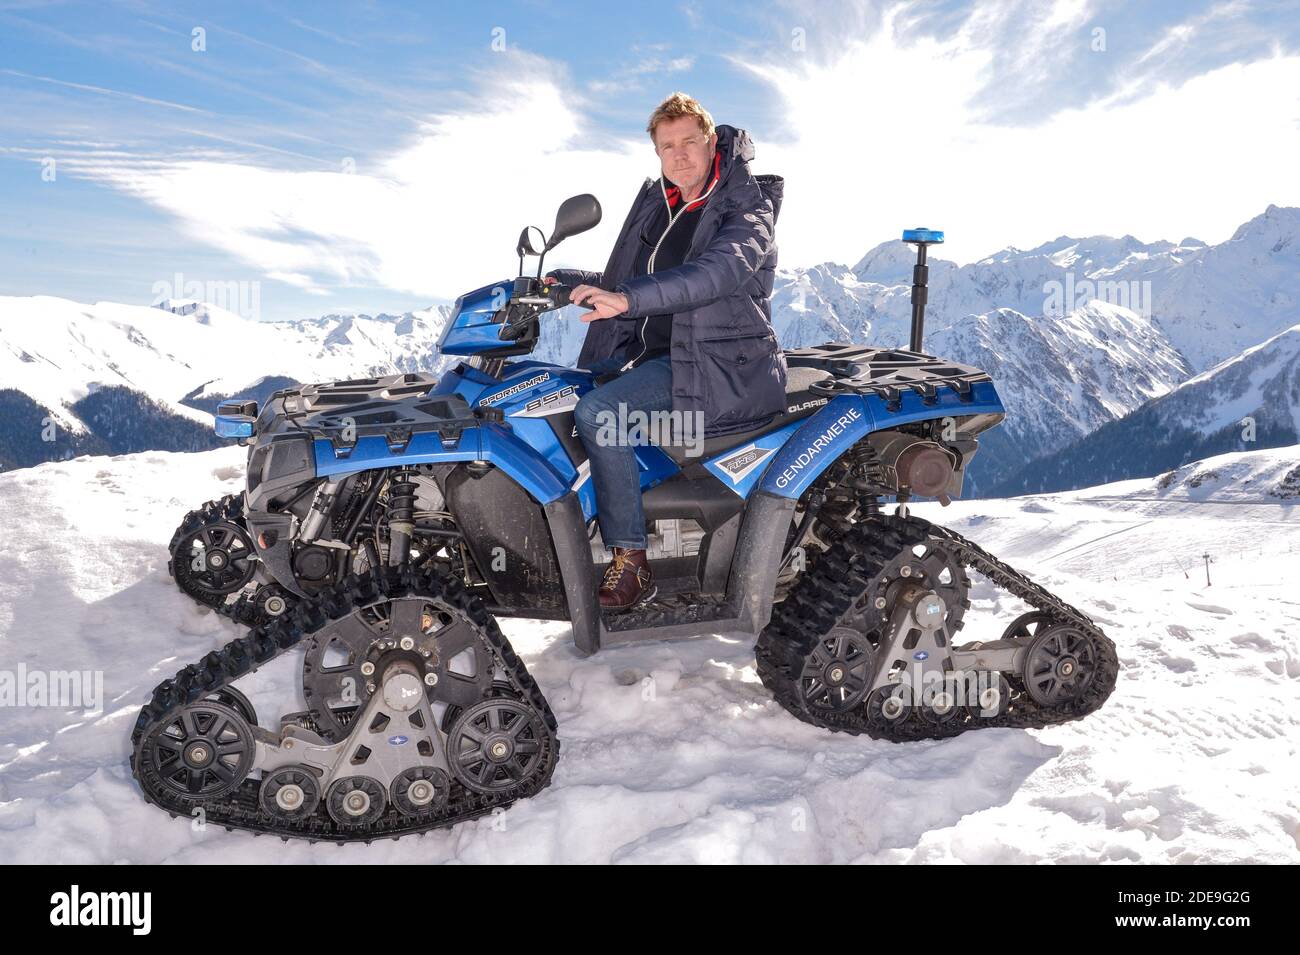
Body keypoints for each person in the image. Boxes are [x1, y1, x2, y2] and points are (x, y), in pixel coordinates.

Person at [546, 92, 786, 611]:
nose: (678, 156)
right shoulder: (667, 207)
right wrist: (566, 284)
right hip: (659, 357)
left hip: (716, 367)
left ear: (712, 142)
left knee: (598, 412)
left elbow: (714, 273)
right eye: (666, 147)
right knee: (550, 396)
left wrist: (627, 299)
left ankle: (632, 560)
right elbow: (635, 280)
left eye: (688, 142)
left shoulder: (748, 207)